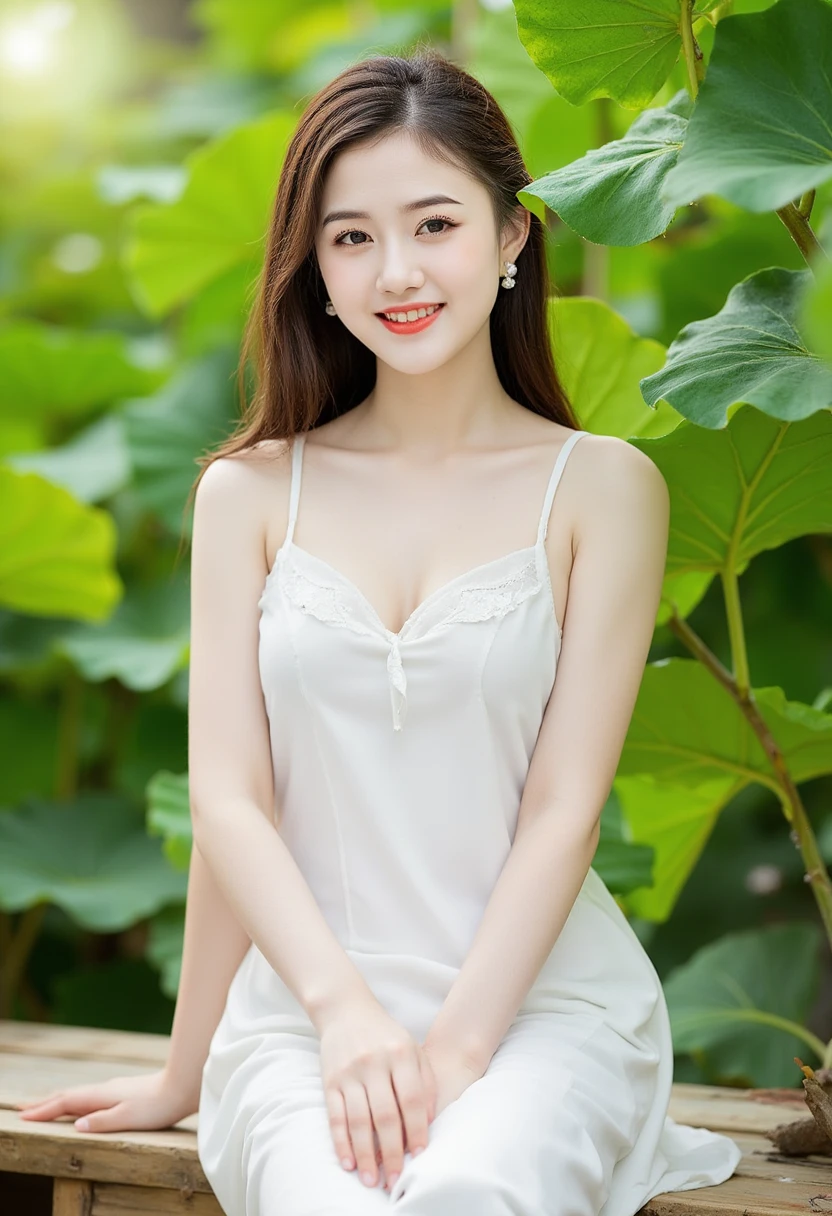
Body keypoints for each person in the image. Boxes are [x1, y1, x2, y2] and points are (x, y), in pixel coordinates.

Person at [17, 48, 742, 1216]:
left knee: (473, 1187)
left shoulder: (602, 490)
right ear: (312, 264)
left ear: (512, 237)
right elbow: (233, 809)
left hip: (540, 1012)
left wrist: (455, 1053)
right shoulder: (249, 494)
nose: (394, 271)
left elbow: (563, 812)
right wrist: (199, 1061)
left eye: (435, 223)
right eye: (350, 236)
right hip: (307, 1018)